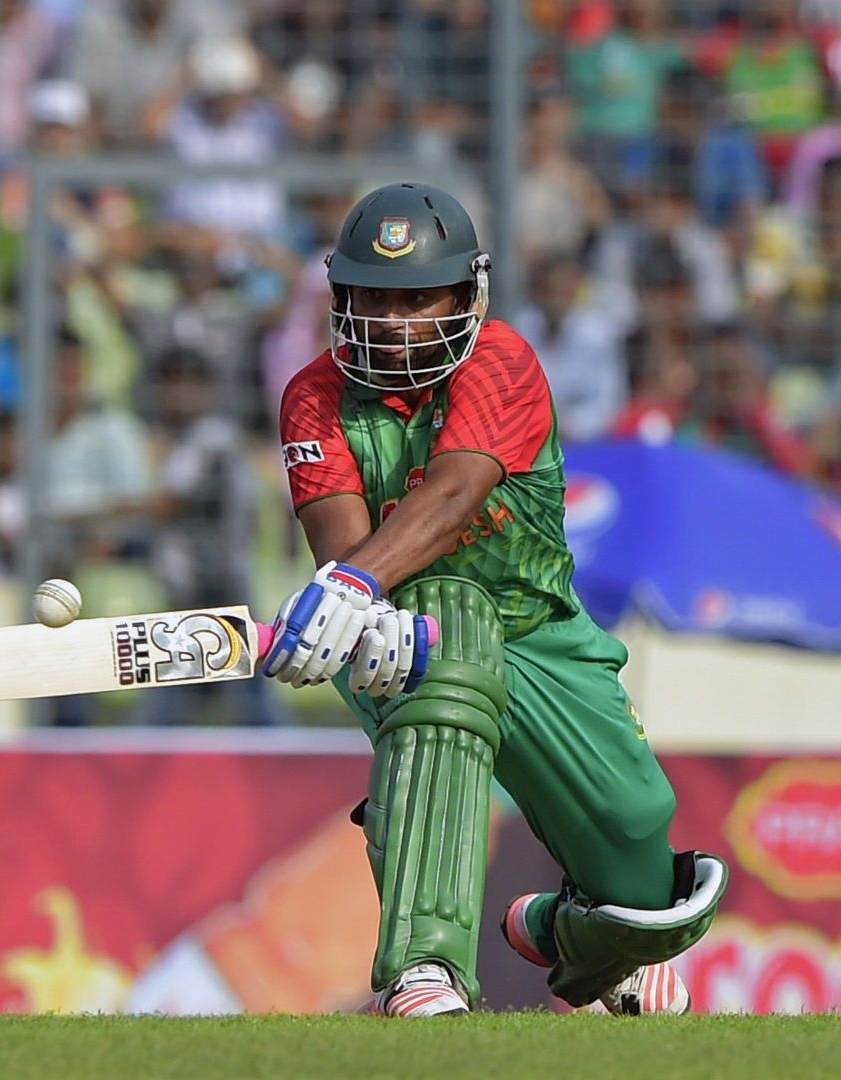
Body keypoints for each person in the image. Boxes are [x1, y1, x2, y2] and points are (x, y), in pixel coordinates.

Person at [266, 182, 727, 1017]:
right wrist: (351, 595)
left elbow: (453, 495)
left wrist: (351, 583)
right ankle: (424, 967)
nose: (395, 319)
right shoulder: (313, 394)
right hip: (405, 633)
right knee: (453, 630)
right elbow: (341, 538)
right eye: (374, 296)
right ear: (341, 299)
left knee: (644, 859)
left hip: (542, 629)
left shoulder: (501, 361)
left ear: (466, 294)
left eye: (417, 298)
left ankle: (572, 931)